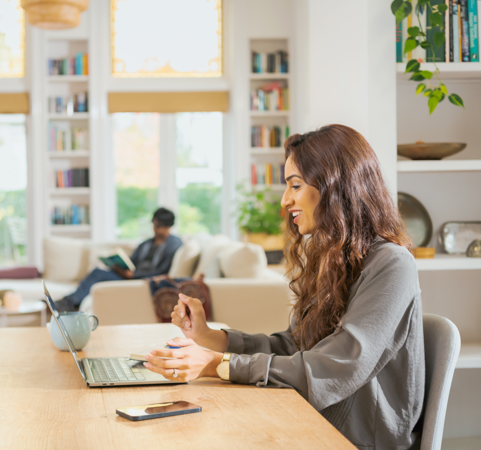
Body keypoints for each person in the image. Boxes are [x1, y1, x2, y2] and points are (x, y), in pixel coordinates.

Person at [143, 125, 425, 449]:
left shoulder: (392, 263)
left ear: (336, 186)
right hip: (312, 419)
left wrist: (217, 365)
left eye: (295, 185)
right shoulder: (330, 259)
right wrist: (212, 338)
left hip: (355, 439)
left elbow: (340, 364)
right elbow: (295, 348)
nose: (285, 199)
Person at [54, 207, 182, 312]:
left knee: (97, 274)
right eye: (155, 224)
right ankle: (68, 301)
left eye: (159, 225)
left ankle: (69, 302)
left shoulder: (174, 244)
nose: (156, 228)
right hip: (128, 276)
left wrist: (135, 274)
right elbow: (132, 262)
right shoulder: (146, 244)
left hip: (143, 280)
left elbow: (163, 270)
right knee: (98, 271)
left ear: (168, 225)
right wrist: (119, 266)